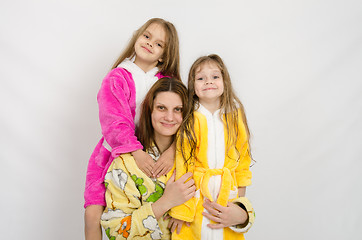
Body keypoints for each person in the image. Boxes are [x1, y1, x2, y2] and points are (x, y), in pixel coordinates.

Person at [84, 18, 181, 240]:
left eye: (159, 44)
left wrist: (174, 150)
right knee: (92, 214)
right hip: (113, 152)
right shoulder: (117, 77)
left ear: (164, 55)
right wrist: (136, 152)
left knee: (152, 208)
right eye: (147, 36)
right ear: (137, 37)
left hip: (157, 150)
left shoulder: (166, 81)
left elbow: (182, 118)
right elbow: (114, 120)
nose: (149, 43)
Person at [169, 54, 255, 240]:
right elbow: (183, 164)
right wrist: (181, 210)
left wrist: (239, 203)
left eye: (215, 77)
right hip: (196, 196)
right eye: (201, 78)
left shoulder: (235, 116)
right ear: (193, 86)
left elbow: (242, 163)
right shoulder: (189, 118)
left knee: (225, 231)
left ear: (225, 81)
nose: (208, 82)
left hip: (227, 192)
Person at [101, 77, 196, 239]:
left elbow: (223, 201)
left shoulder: (199, 156)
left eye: (178, 109)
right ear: (150, 110)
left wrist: (242, 216)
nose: (169, 117)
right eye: (161, 108)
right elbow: (116, 232)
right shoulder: (125, 164)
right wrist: (166, 202)